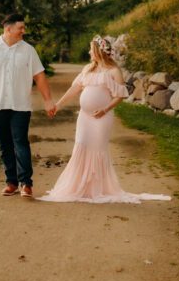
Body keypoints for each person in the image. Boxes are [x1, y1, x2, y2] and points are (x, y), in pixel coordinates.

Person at [39, 36, 170, 204]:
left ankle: (96, 189)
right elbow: (74, 89)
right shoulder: (88, 69)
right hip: (85, 118)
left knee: (97, 150)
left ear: (98, 51)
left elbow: (120, 95)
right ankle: (78, 186)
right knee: (81, 145)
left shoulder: (114, 71)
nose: (88, 52)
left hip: (102, 117)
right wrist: (57, 105)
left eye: (90, 49)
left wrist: (105, 109)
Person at [0, 13, 56, 198]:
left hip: (20, 105)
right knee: (4, 145)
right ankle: (11, 182)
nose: (23, 31)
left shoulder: (28, 50)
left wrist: (48, 99)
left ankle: (26, 183)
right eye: (20, 28)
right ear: (8, 28)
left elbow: (39, 76)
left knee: (20, 142)